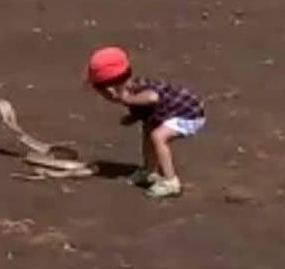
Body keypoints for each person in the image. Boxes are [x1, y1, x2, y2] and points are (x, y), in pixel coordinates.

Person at [86, 46, 205, 198]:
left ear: (110, 91)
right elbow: (147, 108)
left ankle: (171, 182)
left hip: (189, 114)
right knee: (148, 130)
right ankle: (150, 171)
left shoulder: (134, 92)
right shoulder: (130, 89)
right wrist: (133, 117)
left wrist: (128, 99)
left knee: (158, 136)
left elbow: (152, 97)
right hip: (170, 112)